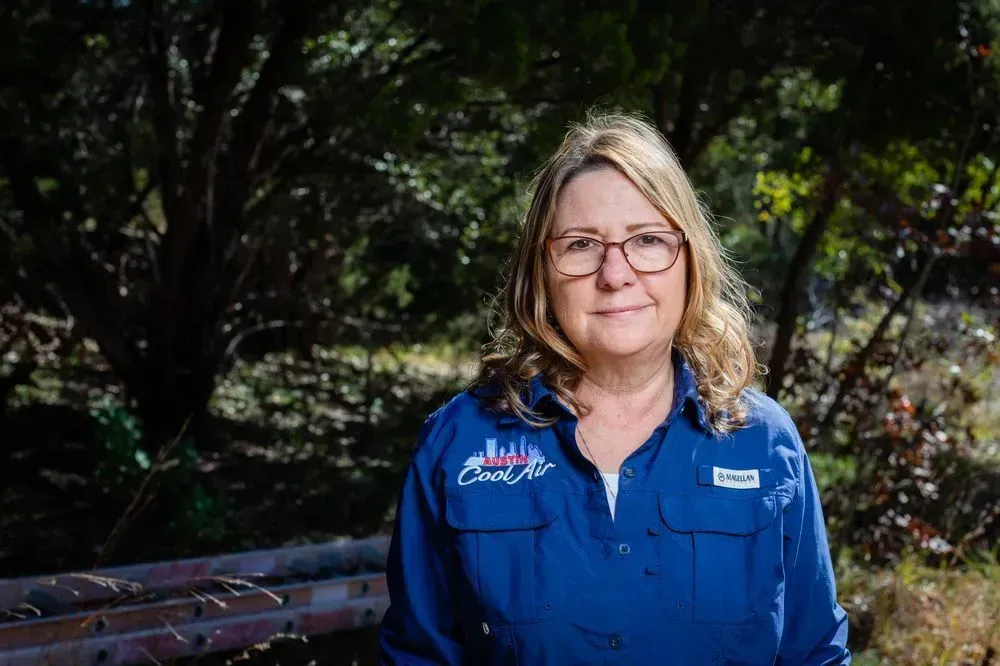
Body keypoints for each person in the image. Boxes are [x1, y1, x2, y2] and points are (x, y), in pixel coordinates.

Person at [378, 111, 850, 664]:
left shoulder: (764, 443)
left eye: (647, 239)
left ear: (689, 260)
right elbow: (417, 656)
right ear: (541, 271)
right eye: (581, 244)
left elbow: (815, 653)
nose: (615, 274)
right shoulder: (458, 442)